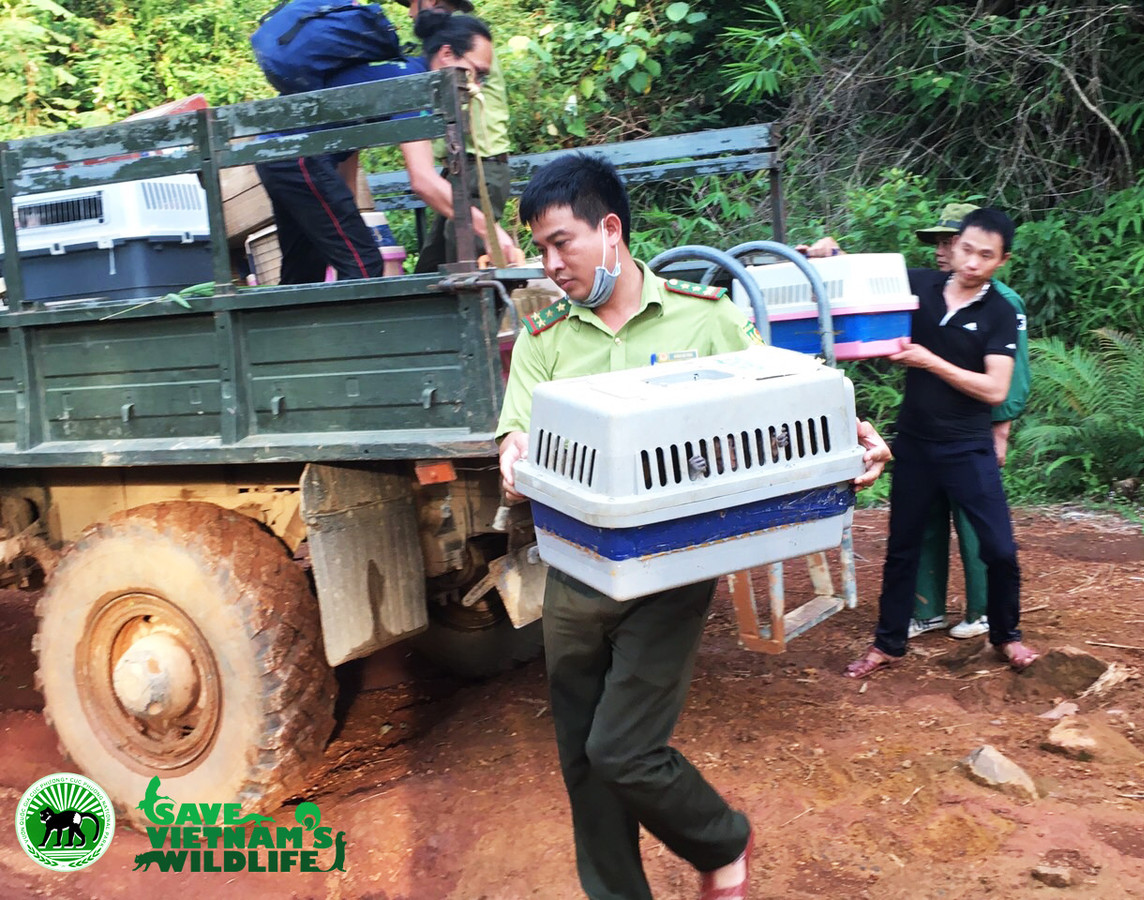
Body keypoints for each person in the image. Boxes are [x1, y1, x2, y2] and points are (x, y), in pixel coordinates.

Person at [496, 153, 890, 900]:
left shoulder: (703, 317)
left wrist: (852, 436)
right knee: (582, 759)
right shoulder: (545, 336)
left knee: (622, 750)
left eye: (560, 243)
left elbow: (783, 401)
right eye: (540, 249)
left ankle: (722, 841)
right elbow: (516, 434)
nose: (550, 264)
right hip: (575, 572)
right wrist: (513, 455)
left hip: (669, 569)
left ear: (610, 230)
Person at [798, 202, 1031, 641]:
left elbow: (996, 389)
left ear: (1003, 261)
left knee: (998, 548)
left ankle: (1005, 635)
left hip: (968, 446)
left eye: (985, 255)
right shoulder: (921, 285)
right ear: (955, 245)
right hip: (917, 444)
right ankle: (888, 643)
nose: (970, 261)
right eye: (965, 249)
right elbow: (865, 280)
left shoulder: (1000, 310)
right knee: (902, 549)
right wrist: (830, 255)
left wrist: (929, 361)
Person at [254, 7, 519, 283]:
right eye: (476, 72)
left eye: (483, 79)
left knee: (304, 269)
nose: (476, 84)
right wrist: (489, 230)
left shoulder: (394, 71)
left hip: (277, 154)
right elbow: (424, 181)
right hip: (299, 159)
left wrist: (346, 211)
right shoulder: (414, 86)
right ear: (447, 54)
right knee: (363, 265)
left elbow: (348, 145)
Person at [408, 0, 513, 272]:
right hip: (456, 170)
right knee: (432, 270)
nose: (409, 12)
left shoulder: (471, 47)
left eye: (411, 4)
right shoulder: (433, 62)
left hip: (480, 167)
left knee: (467, 272)